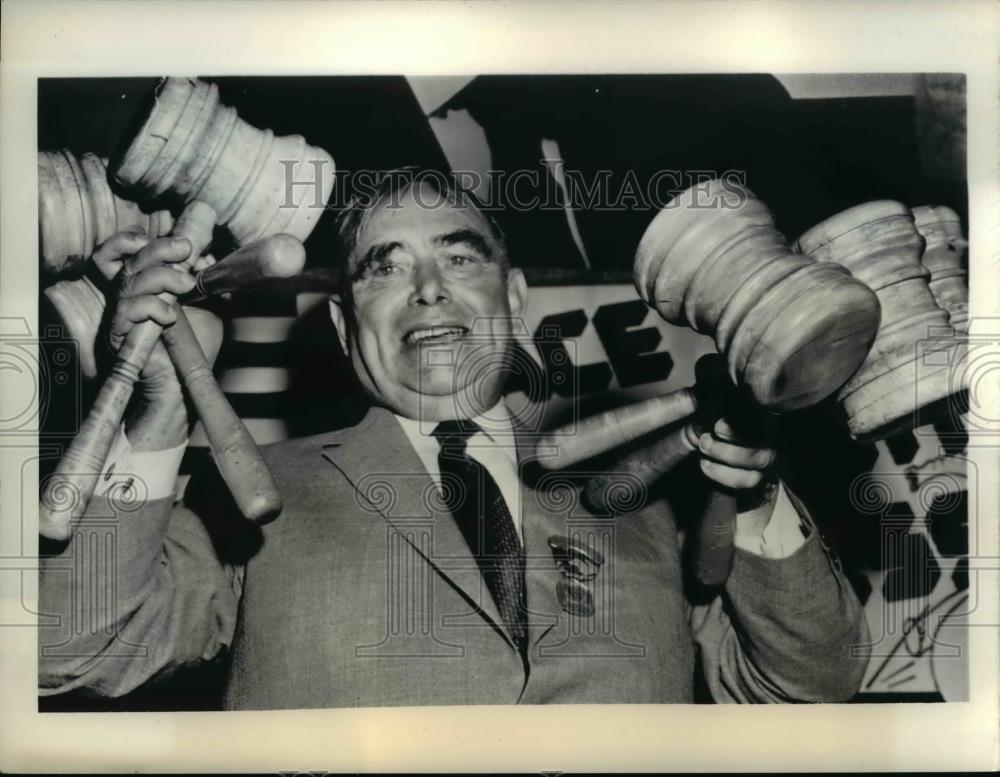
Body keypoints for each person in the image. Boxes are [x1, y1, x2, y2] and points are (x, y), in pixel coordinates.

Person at [38, 172, 870, 708]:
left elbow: (807, 686)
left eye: (459, 259)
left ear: (515, 297)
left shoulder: (652, 490)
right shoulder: (250, 489)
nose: (428, 291)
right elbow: (71, 648)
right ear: (343, 326)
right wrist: (161, 411)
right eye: (385, 267)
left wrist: (752, 493)